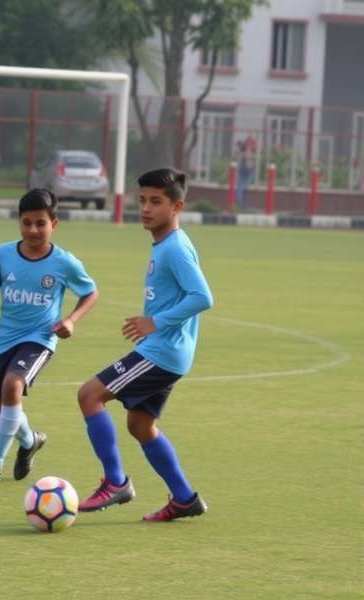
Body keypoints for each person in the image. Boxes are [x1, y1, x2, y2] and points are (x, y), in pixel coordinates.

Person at [76, 168, 213, 522]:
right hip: (168, 352)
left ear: (177, 206)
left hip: (162, 352)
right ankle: (184, 498)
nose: (146, 209)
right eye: (142, 201)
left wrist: (156, 322)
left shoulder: (175, 249)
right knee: (140, 425)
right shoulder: (166, 245)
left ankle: (115, 483)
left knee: (89, 395)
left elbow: (202, 297)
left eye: (156, 201)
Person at [0, 188, 97, 491]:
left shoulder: (64, 262)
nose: (33, 230)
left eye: (41, 223)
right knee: (3, 414)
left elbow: (90, 293)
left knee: (13, 385)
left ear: (54, 224)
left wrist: (70, 320)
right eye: (27, 223)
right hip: (4, 339)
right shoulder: (3, 255)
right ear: (19, 222)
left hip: (41, 339)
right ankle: (30, 440)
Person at [235, 135, 256, 210]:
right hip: (246, 169)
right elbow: (248, 158)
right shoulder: (247, 150)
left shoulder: (245, 150)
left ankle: (242, 204)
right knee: (242, 186)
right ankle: (240, 203)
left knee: (243, 187)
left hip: (246, 169)